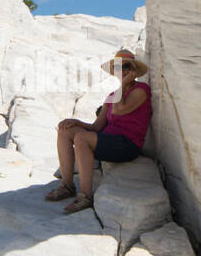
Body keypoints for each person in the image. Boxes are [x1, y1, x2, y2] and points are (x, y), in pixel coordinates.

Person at [45, 49, 152, 214]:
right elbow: (97, 126)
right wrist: (76, 122)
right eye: (118, 68)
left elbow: (119, 110)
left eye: (126, 67)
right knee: (65, 130)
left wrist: (123, 85)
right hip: (108, 140)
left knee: (81, 138)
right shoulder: (112, 95)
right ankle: (67, 185)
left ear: (134, 71)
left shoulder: (141, 89)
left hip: (127, 145)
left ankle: (85, 196)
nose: (122, 71)